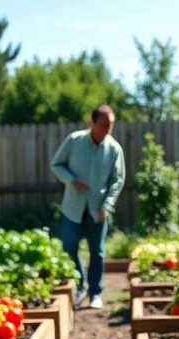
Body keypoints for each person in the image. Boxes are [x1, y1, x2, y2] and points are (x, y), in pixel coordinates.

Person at [50, 104, 125, 309]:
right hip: (72, 208)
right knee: (69, 247)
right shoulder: (74, 141)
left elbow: (117, 181)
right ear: (92, 123)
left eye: (110, 125)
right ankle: (80, 285)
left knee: (97, 252)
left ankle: (95, 293)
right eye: (103, 125)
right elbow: (56, 164)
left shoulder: (114, 149)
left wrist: (107, 206)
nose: (107, 129)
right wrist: (72, 180)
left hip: (98, 209)